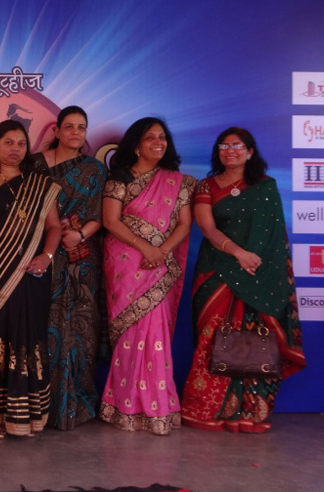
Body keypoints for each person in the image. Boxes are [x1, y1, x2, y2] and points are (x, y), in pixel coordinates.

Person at [181, 128, 305, 433]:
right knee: (211, 341)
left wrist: (254, 263)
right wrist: (239, 255)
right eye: (224, 146)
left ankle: (249, 412)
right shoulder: (207, 186)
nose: (230, 150)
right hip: (216, 270)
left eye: (237, 145)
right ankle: (205, 408)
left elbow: (273, 238)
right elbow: (208, 229)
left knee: (253, 339)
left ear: (250, 152)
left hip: (257, 273)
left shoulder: (265, 187)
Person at [0, 120, 63, 437]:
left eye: (21, 143)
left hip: (32, 276)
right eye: (8, 142)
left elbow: (54, 227)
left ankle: (26, 414)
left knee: (27, 340)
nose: (15, 149)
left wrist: (47, 256)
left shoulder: (39, 185)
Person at [99, 117, 195, 435]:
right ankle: (124, 405)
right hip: (127, 264)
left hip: (160, 264)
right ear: (136, 145)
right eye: (150, 137)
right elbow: (111, 221)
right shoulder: (119, 178)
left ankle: (157, 406)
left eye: (162, 137)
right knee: (131, 332)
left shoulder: (177, 181)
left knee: (155, 332)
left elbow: (184, 223)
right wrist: (146, 248)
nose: (158, 142)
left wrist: (162, 251)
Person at [31, 105, 107, 430]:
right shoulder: (34, 164)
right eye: (70, 126)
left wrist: (79, 235)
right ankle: (39, 404)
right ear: (57, 130)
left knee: (78, 331)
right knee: (42, 326)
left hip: (80, 258)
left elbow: (100, 214)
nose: (76, 132)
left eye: (81, 127)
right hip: (41, 255)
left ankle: (75, 404)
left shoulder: (94, 169)